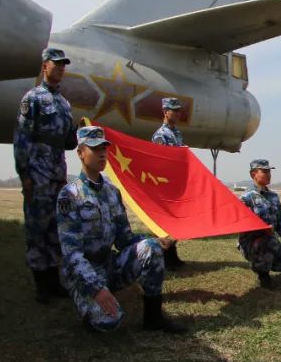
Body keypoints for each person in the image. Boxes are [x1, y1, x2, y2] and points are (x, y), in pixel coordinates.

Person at [56, 126, 186, 334]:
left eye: (103, 148)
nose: (101, 153)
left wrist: (156, 241)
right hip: (84, 273)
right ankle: (91, 304)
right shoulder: (70, 195)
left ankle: (153, 318)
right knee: (108, 321)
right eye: (94, 148)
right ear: (80, 153)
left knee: (151, 247)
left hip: (108, 265)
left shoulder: (112, 192)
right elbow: (71, 255)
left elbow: (125, 239)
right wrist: (96, 289)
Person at [14, 47, 77, 303]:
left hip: (57, 173)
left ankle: (53, 282)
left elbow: (68, 142)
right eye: (56, 64)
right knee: (37, 229)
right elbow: (22, 138)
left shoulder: (64, 103)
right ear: (44, 67)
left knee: (54, 228)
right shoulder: (33, 99)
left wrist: (80, 133)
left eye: (63, 65)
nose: (61, 68)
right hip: (37, 173)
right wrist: (25, 175)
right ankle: (41, 286)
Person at [238, 160, 281, 289]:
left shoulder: (273, 196)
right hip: (252, 243)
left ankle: (262, 264)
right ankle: (263, 274)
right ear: (253, 174)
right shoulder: (246, 198)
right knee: (266, 241)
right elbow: (240, 223)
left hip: (271, 242)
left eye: (269, 171)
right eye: (264, 171)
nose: (268, 174)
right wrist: (260, 229)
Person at [152, 97, 187, 271]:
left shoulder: (177, 134)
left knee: (175, 221)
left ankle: (172, 252)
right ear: (166, 112)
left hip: (176, 184)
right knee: (163, 222)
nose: (179, 113)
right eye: (175, 110)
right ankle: (163, 256)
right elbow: (159, 162)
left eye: (179, 110)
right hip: (165, 185)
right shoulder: (160, 135)